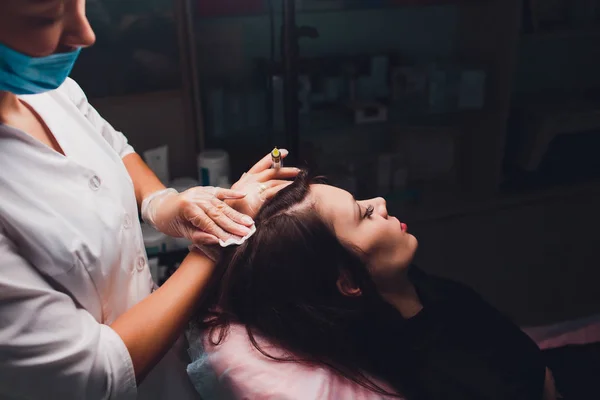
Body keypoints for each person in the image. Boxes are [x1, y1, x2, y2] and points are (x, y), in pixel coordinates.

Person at [0, 1, 298, 399]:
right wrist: (212, 248)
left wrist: (161, 203)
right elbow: (93, 374)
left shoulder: (47, 91)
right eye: (47, 18)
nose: (85, 34)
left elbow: (114, 146)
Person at [190, 170, 558, 400]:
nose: (379, 202)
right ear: (348, 281)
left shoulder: (407, 289)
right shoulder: (444, 376)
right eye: (363, 215)